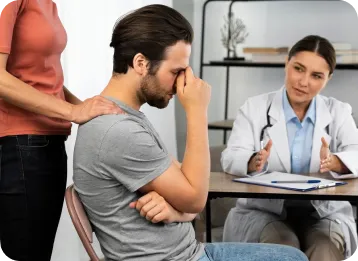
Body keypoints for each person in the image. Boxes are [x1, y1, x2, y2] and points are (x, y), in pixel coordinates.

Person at [72, 4, 308, 261]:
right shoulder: (118, 130)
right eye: (176, 71)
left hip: (188, 252)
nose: (182, 83)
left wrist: (177, 211)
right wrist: (197, 112)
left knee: (291, 255)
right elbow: (196, 199)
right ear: (141, 63)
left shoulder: (125, 119)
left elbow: (191, 194)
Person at [0, 1, 122, 260]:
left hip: (45, 143)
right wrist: (72, 112)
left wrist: (89, 111)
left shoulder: (48, 4)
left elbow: (42, 80)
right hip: (20, 144)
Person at [221, 35, 358, 261]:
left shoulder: (339, 112)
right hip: (264, 211)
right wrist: (253, 160)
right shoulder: (254, 108)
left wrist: (336, 162)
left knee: (324, 250)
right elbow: (230, 157)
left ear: (328, 79)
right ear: (287, 64)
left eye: (316, 76)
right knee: (283, 249)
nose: (303, 82)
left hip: (323, 212)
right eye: (298, 68)